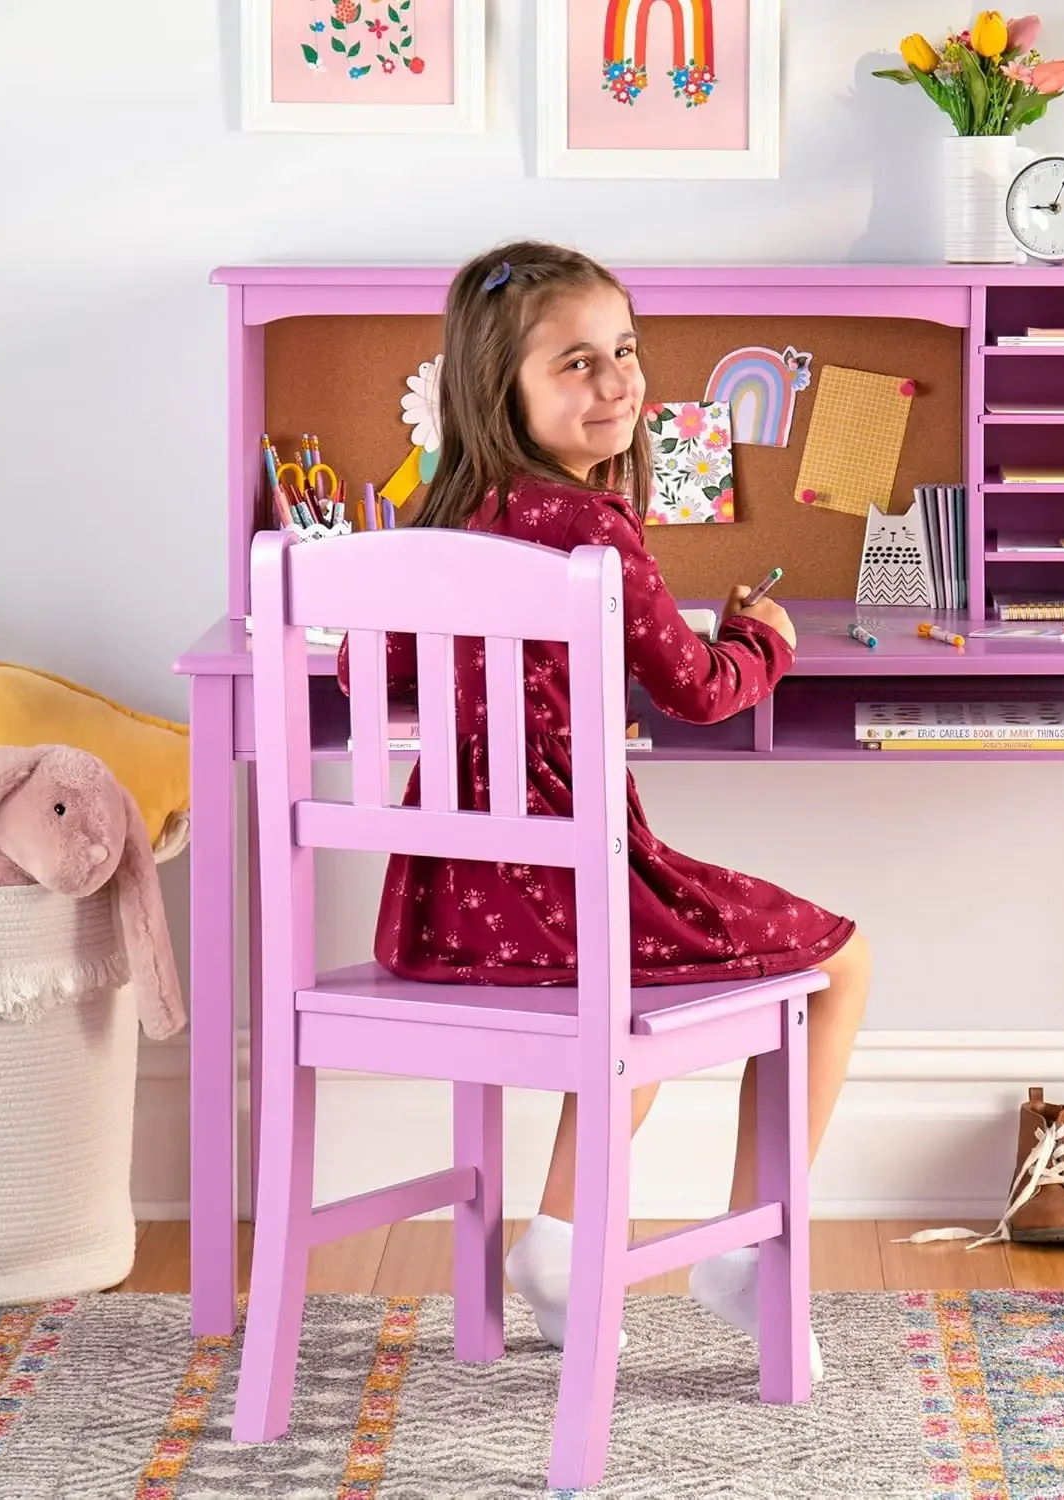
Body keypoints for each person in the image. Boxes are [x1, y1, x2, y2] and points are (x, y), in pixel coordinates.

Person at [338, 241, 871, 1378]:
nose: (618, 382)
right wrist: (760, 640)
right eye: (577, 363)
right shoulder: (594, 534)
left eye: (623, 351)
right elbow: (702, 691)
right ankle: (746, 1260)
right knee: (840, 960)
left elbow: (358, 676)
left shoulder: (437, 528)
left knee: (659, 978)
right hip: (572, 907)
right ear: (504, 392)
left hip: (447, 911)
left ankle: (562, 1243)